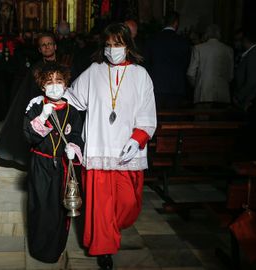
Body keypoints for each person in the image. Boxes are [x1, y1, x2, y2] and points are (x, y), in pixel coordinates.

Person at [64, 23, 156, 269]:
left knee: (128, 203)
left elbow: (148, 115)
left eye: (118, 44)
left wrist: (137, 140)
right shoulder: (94, 71)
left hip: (127, 151)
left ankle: (110, 229)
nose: (113, 49)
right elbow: (71, 98)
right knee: (101, 206)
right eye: (109, 45)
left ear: (128, 45)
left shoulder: (140, 75)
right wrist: (49, 97)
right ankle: (103, 247)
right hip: (99, 149)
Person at [23, 63, 83, 263]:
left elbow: (76, 134)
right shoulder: (35, 105)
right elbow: (29, 137)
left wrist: (73, 148)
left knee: (59, 209)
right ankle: (39, 249)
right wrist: (42, 117)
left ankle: (56, 248)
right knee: (40, 207)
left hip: (63, 166)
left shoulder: (72, 110)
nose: (55, 86)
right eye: (49, 82)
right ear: (42, 86)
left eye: (59, 81)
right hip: (41, 164)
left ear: (66, 84)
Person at [0, 33, 65, 166]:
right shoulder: (36, 68)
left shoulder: (63, 65)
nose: (47, 47)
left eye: (49, 44)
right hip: (42, 112)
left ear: (55, 46)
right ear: (39, 50)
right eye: (43, 45)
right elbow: (28, 94)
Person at [143, 11, 191, 109]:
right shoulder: (183, 41)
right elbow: (186, 64)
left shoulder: (152, 40)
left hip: (157, 86)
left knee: (157, 119)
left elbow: (146, 63)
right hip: (176, 88)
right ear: (176, 23)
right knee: (174, 120)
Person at [187, 24, 234, 108]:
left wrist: (198, 84)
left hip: (203, 93)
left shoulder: (198, 48)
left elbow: (191, 73)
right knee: (220, 120)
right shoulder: (229, 50)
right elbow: (230, 75)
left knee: (202, 119)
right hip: (223, 94)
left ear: (206, 34)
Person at [232, 30, 256, 110]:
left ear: (245, 40)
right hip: (246, 98)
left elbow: (252, 80)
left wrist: (239, 96)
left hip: (248, 99)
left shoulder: (254, 54)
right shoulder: (251, 53)